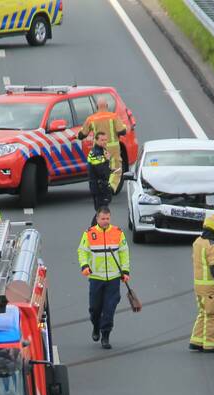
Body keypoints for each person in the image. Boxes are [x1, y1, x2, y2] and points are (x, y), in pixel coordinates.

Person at [78, 206, 130, 349]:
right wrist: (84, 265)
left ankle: (105, 335)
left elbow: (124, 252)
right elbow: (82, 251)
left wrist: (125, 271)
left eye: (107, 218)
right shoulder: (89, 233)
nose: (105, 221)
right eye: (103, 218)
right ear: (97, 218)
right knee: (95, 308)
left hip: (113, 278)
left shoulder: (118, 233)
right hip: (96, 278)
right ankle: (96, 325)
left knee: (109, 308)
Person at [190, 214, 214, 353]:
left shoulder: (198, 242)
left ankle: (197, 340)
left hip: (199, 285)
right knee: (213, 315)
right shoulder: (213, 246)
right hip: (211, 287)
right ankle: (211, 344)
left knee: (203, 312)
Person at [77, 96, 129, 192]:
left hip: (98, 149)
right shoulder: (113, 116)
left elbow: (82, 135)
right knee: (116, 169)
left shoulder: (91, 119)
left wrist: (79, 133)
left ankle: (99, 186)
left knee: (98, 168)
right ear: (107, 106)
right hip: (113, 148)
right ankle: (111, 188)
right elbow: (121, 131)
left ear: (96, 106)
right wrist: (125, 127)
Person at [86, 131, 114, 212]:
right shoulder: (97, 153)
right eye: (102, 140)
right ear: (96, 140)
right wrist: (107, 160)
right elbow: (101, 172)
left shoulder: (100, 150)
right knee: (102, 212)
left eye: (105, 140)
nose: (104, 142)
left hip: (98, 186)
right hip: (99, 188)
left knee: (100, 212)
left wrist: (110, 170)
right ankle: (94, 225)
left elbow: (98, 169)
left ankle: (96, 224)